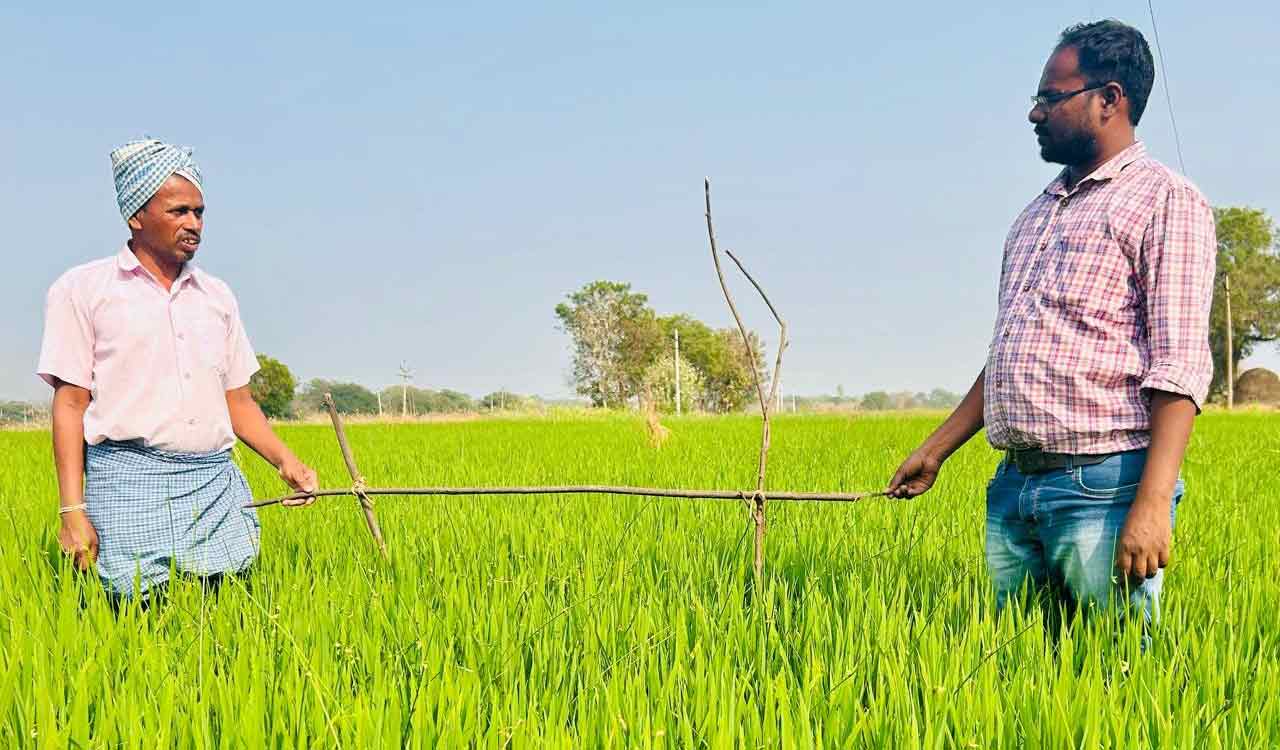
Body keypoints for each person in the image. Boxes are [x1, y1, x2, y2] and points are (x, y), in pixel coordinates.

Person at [887, 20, 1216, 628]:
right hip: (1016, 488)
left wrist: (1151, 505)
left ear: (1109, 100)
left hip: (1103, 488)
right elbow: (1013, 351)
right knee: (1025, 679)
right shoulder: (1036, 214)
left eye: (1050, 98)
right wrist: (935, 450)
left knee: (1112, 685)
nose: (1035, 114)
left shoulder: (1166, 200)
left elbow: (1179, 366)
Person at [38, 138, 319, 600]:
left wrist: (286, 461)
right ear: (136, 216)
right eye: (178, 212)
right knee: (135, 619)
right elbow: (70, 404)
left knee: (228, 617)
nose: (193, 224)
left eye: (199, 212)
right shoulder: (84, 290)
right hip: (128, 481)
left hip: (214, 482)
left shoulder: (216, 297)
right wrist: (72, 509)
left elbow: (238, 402)